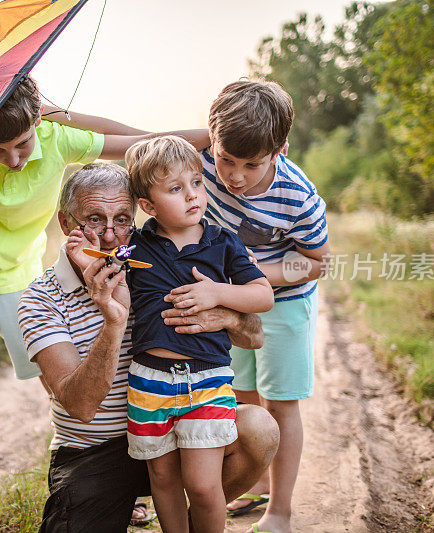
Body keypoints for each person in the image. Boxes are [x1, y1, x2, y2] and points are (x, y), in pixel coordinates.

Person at [0, 75, 209, 532]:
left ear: (38, 121)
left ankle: (112, 484)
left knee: (59, 381)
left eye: (21, 144)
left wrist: (217, 138)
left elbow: (137, 143)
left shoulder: (58, 137)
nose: (13, 159)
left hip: (18, 269)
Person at [18, 163, 280, 532]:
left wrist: (228, 313)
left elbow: (255, 336)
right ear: (66, 224)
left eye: (122, 219)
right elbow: (80, 407)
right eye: (94, 219)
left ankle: (193, 521)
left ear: (136, 218)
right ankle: (127, 505)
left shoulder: (150, 258)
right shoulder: (39, 300)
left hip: (179, 425)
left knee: (259, 428)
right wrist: (114, 320)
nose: (110, 236)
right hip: (94, 453)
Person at [123, 136, 275, 533]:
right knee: (164, 481)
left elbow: (263, 295)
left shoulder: (223, 242)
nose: (192, 195)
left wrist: (217, 292)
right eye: (175, 189)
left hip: (206, 380)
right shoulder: (134, 245)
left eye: (195, 182)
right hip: (149, 380)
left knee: (204, 486)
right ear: (148, 206)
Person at [201, 79, 330, 533]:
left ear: (280, 150)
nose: (234, 176)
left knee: (281, 404)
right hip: (233, 303)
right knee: (241, 395)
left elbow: (318, 262)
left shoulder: (299, 198)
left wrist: (260, 277)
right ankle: (251, 487)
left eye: (251, 165)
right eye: (225, 160)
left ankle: (280, 510)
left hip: (285, 306)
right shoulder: (201, 162)